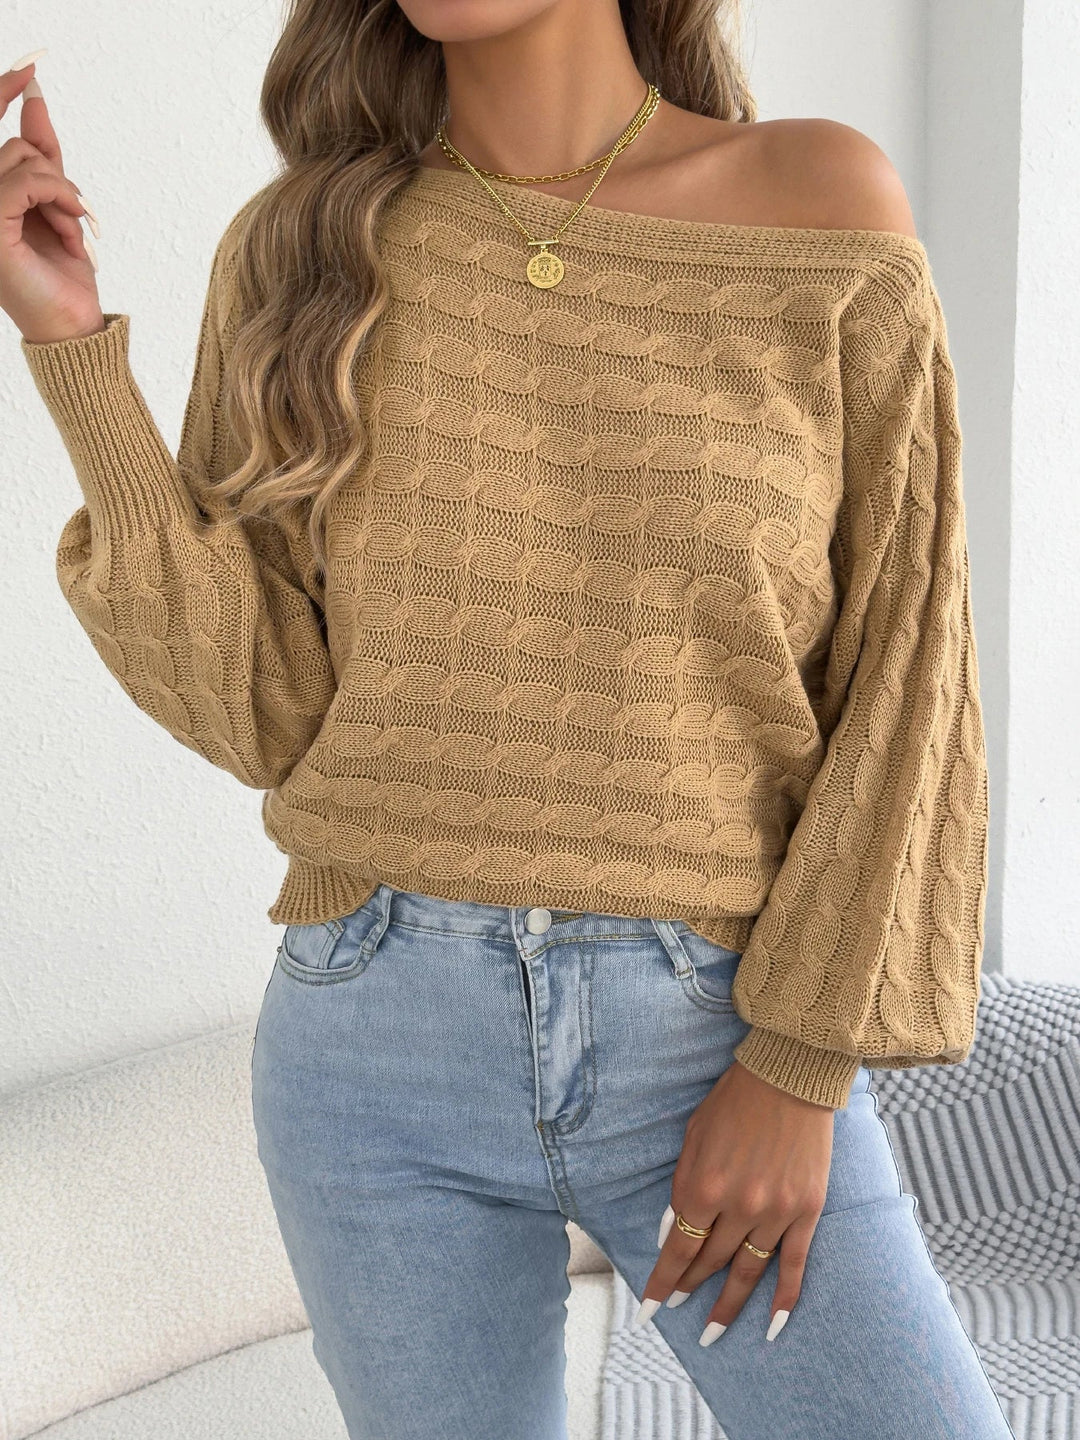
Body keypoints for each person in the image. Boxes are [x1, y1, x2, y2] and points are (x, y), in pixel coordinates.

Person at [3, 3, 1015, 1437]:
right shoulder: (304, 250)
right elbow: (267, 711)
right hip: (374, 1043)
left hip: (710, 1033)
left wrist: (799, 1065)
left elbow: (910, 671)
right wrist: (69, 346)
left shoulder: (819, 204)